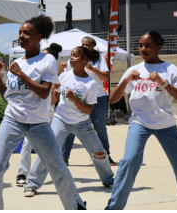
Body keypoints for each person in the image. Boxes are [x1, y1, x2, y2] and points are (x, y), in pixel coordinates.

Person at [0, 15, 85, 210]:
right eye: (20, 33)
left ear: (39, 36)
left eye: (26, 33)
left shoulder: (46, 59)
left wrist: (21, 75)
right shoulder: (17, 61)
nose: (21, 36)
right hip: (12, 119)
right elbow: (8, 96)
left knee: (57, 167)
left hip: (38, 123)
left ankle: (76, 206)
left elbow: (44, 92)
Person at [106, 31, 177, 210]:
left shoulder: (171, 69)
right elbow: (112, 99)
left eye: (148, 46)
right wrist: (126, 80)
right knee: (129, 161)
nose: (143, 49)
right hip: (139, 123)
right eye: (141, 45)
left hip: (166, 124)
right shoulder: (134, 70)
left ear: (158, 47)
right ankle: (113, 208)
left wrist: (162, 82)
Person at [24, 46, 114, 197]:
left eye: (76, 56)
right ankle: (32, 184)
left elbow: (88, 110)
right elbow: (54, 100)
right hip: (61, 120)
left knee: (99, 153)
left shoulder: (91, 84)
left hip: (82, 123)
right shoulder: (64, 76)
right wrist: (53, 90)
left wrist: (73, 98)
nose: (71, 58)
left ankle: (109, 179)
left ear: (85, 60)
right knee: (48, 151)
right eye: (71, 55)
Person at [59, 36, 115, 166]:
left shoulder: (98, 58)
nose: (84, 47)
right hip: (77, 95)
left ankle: (106, 155)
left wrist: (92, 68)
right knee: (71, 126)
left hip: (98, 97)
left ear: (93, 47)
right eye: (82, 44)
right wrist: (61, 69)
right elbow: (64, 75)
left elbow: (106, 76)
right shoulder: (75, 56)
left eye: (87, 45)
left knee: (100, 128)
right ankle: (64, 156)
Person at [16, 43, 62, 187]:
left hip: (47, 117)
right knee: (26, 144)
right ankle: (23, 173)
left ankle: (54, 175)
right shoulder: (33, 72)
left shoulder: (54, 77)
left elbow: (53, 101)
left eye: (43, 55)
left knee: (52, 148)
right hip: (32, 116)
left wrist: (53, 89)